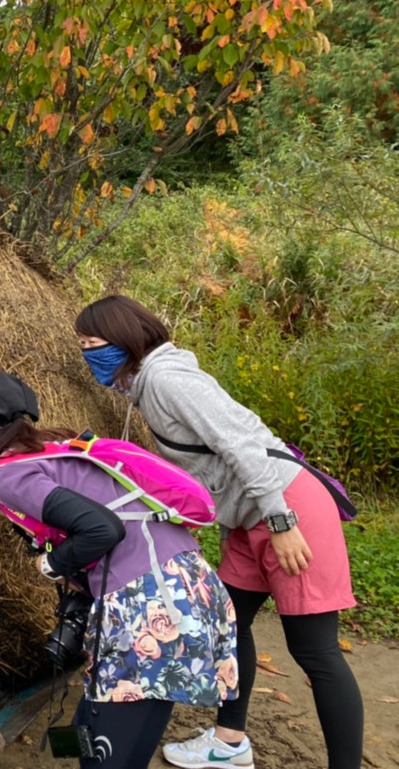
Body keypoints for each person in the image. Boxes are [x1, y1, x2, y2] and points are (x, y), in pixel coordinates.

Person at [75, 294, 363, 769]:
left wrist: (282, 522)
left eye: (92, 344)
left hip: (285, 506)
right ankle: (230, 742)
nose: (88, 355)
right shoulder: (145, 385)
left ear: (123, 339)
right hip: (248, 519)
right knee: (229, 625)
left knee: (315, 651)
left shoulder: (168, 379)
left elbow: (241, 441)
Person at [0, 371, 237, 769]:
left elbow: (101, 528)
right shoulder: (49, 451)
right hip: (185, 587)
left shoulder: (7, 474)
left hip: (147, 605)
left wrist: (50, 565)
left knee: (104, 755)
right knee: (99, 732)